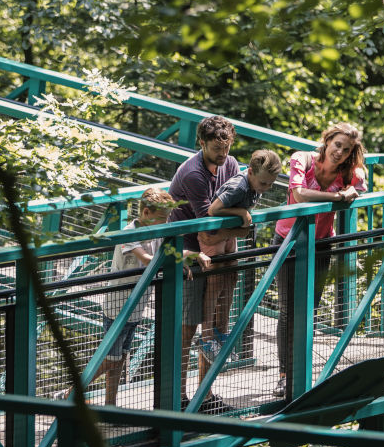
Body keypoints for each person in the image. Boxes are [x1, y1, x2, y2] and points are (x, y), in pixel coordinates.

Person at [273, 122, 367, 400]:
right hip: (288, 241)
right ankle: (284, 375)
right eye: (337, 144)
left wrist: (357, 177)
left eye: (346, 149)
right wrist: (338, 196)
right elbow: (299, 194)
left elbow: (360, 182)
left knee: (309, 309)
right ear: (327, 141)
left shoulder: (347, 172)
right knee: (288, 309)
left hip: (321, 243)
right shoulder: (303, 159)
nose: (339, 152)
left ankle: (302, 372)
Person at [167, 115, 250, 414]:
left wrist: (236, 220)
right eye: (216, 148)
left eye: (226, 147)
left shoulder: (231, 163)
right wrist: (240, 226)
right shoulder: (192, 174)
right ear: (202, 143)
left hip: (218, 250)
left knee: (215, 323)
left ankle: (206, 392)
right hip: (187, 249)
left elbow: (235, 200)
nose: (222, 153)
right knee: (187, 325)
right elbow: (207, 225)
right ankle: (177, 395)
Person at [92, 188, 178, 406]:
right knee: (111, 360)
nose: (166, 223)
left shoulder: (157, 232)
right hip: (118, 308)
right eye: (161, 218)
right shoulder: (129, 233)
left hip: (136, 307)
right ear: (146, 213)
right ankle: (71, 392)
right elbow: (149, 260)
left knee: (119, 359)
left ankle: (110, 406)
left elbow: (168, 254)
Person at [198, 148, 283, 364]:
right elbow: (213, 210)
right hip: (213, 233)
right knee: (216, 279)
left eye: (271, 184)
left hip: (228, 235)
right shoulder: (240, 186)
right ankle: (207, 335)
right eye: (264, 183)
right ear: (251, 172)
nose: (266, 188)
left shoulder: (255, 187)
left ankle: (221, 331)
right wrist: (241, 213)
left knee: (231, 276)